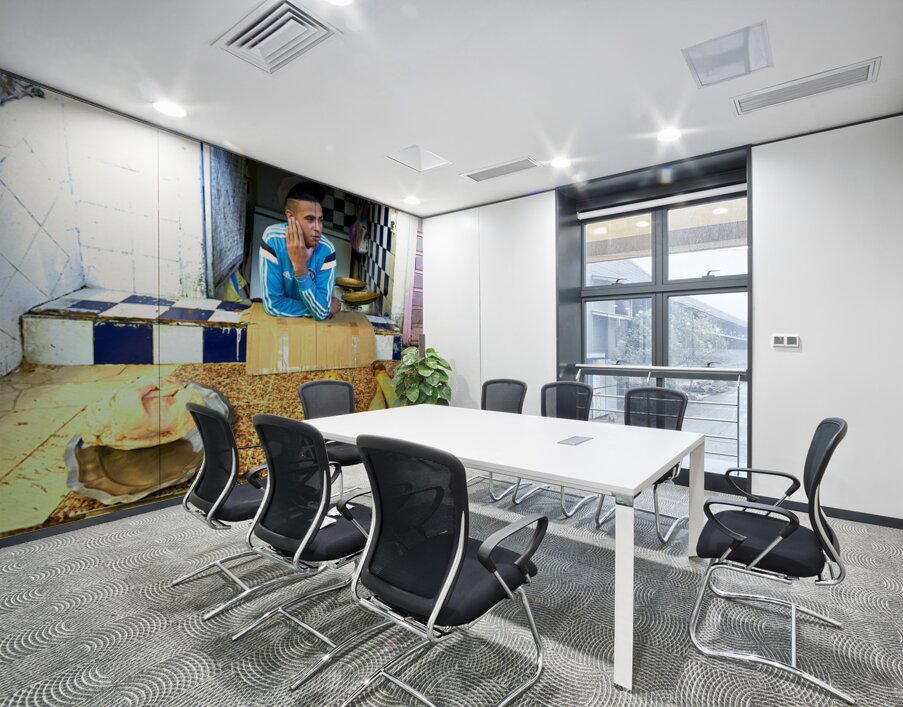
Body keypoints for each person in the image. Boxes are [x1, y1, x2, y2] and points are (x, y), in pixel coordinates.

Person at [259, 179, 341, 319]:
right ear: (290, 217)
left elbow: (321, 312)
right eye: (310, 219)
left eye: (320, 220)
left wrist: (300, 268)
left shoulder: (326, 250)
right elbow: (273, 305)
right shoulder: (272, 240)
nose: (318, 228)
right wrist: (323, 308)